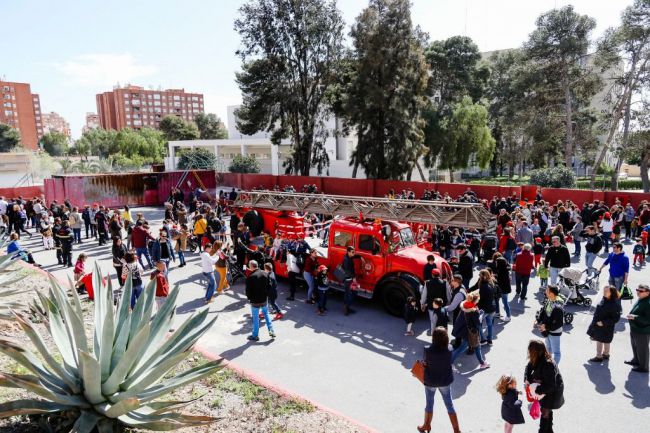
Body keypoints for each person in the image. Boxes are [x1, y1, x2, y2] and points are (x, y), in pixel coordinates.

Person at [418, 327, 459, 433]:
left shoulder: (427, 349)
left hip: (430, 381)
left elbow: (425, 362)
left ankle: (426, 425)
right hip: (445, 380)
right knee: (449, 405)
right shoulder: (450, 348)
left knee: (429, 404)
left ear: (434, 337)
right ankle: (456, 430)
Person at [524, 340, 564, 433]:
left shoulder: (547, 364)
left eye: (530, 350)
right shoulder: (538, 357)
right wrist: (527, 379)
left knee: (545, 413)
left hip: (552, 392)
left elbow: (551, 385)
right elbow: (528, 367)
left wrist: (535, 389)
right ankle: (549, 430)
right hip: (546, 390)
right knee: (546, 412)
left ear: (536, 351)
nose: (529, 352)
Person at [451, 291, 489, 369]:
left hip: (465, 330)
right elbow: (478, 323)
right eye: (478, 299)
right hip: (470, 333)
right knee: (461, 349)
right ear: (475, 300)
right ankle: (449, 362)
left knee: (477, 347)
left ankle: (482, 363)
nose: (478, 301)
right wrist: (480, 315)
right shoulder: (474, 311)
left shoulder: (465, 305)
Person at [587, 285, 622, 363]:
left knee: (603, 340)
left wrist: (603, 323)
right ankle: (605, 355)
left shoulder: (615, 305)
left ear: (611, 293)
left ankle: (599, 356)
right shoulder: (604, 299)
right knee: (602, 340)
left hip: (606, 326)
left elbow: (616, 319)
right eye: (604, 290)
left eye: (606, 291)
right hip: (599, 325)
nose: (604, 292)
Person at [245, 260, 276, 341]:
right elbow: (269, 286)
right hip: (264, 300)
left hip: (255, 301)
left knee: (255, 318)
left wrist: (249, 298)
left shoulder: (250, 277)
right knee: (266, 315)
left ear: (251, 266)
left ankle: (255, 335)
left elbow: (248, 291)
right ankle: (271, 331)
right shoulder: (265, 274)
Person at [535, 286, 564, 365]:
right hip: (547, 330)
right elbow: (544, 311)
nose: (545, 292)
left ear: (551, 293)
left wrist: (546, 327)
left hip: (554, 332)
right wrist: (538, 320)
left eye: (547, 291)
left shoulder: (558, 307)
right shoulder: (549, 301)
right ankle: (548, 365)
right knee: (548, 349)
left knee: (556, 353)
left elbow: (559, 323)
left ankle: (553, 368)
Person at [626, 283, 650, 373]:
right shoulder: (641, 299)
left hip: (642, 331)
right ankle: (636, 360)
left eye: (641, 291)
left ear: (647, 293)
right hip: (635, 328)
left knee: (642, 349)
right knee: (635, 346)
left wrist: (635, 317)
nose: (638, 292)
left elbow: (648, 319)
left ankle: (644, 367)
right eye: (637, 290)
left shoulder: (648, 303)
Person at [421, 269, 451, 333]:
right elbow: (448, 294)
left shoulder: (427, 283)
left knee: (433, 322)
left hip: (431, 306)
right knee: (442, 323)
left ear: (432, 275)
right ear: (439, 275)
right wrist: (448, 303)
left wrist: (422, 304)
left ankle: (433, 336)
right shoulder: (444, 283)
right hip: (442, 306)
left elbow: (424, 295)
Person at [474, 270, 497, 345]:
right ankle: (489, 340)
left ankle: (483, 340)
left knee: (478, 324)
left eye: (480, 275)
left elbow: (481, 299)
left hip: (484, 309)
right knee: (489, 324)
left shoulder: (483, 286)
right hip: (492, 307)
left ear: (483, 276)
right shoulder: (492, 283)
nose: (479, 276)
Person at [341, 246, 358, 316]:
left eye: (354, 252)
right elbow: (347, 270)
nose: (354, 253)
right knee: (349, 294)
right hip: (348, 279)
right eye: (352, 252)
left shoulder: (349, 257)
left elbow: (355, 256)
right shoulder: (346, 260)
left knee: (351, 293)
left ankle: (347, 307)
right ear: (348, 252)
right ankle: (346, 308)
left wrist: (361, 257)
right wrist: (353, 277)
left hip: (349, 279)